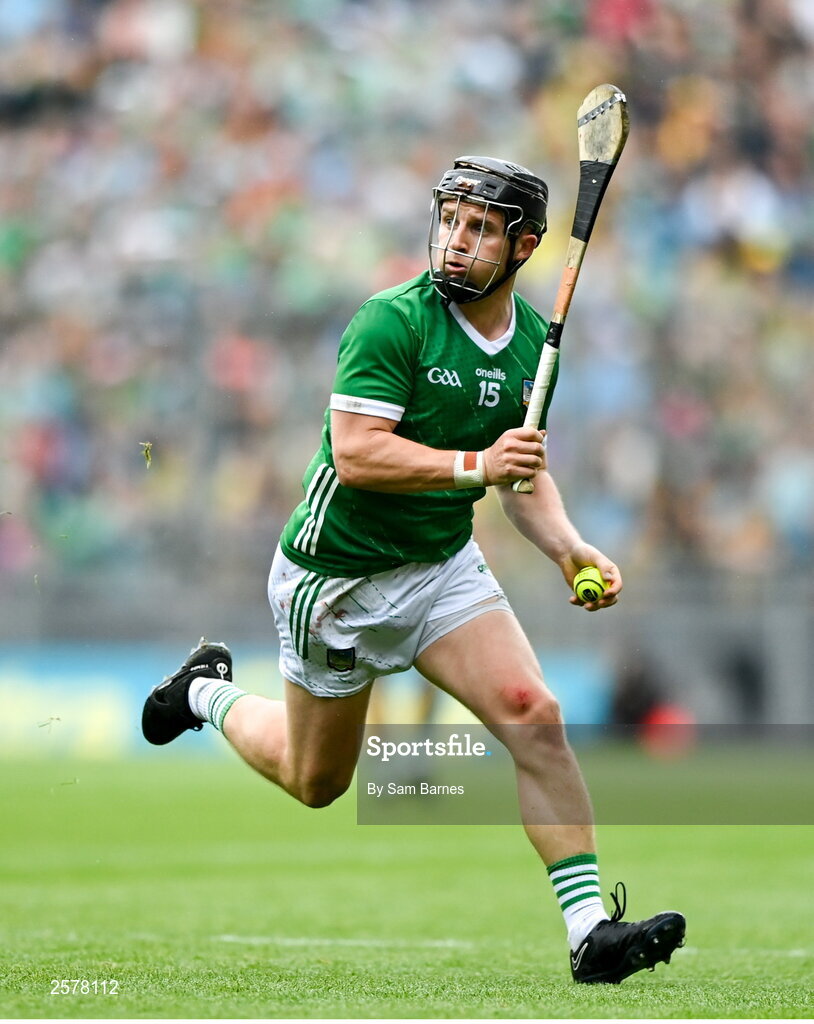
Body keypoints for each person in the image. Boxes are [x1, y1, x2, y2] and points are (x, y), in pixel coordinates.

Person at [142, 156, 685, 984]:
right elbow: (359, 457)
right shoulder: (390, 322)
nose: (456, 242)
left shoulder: (537, 347)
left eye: (479, 229)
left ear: (524, 246)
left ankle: (587, 934)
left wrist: (569, 545)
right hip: (336, 579)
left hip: (438, 568)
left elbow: (522, 473)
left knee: (533, 711)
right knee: (316, 781)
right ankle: (202, 693)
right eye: (450, 222)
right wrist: (478, 467)